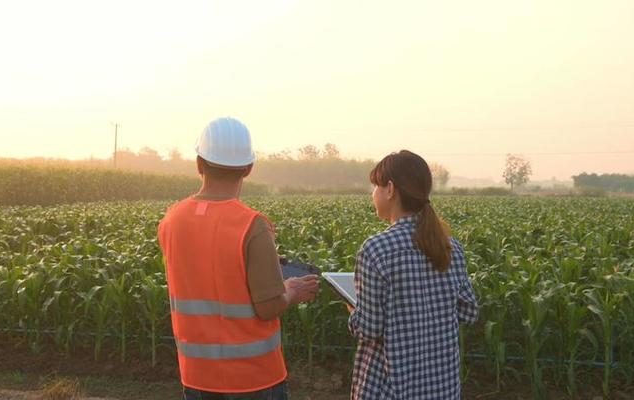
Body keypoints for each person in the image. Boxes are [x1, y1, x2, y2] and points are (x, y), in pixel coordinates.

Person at [158, 117, 319, 400]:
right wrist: (292, 290)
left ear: (199, 164)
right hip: (254, 379)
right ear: (248, 168)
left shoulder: (171, 220)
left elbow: (202, 271)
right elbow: (268, 307)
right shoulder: (252, 225)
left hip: (196, 376)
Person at [348, 150, 478, 400]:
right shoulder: (450, 246)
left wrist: (353, 311)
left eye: (375, 186)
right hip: (443, 386)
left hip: (392, 388)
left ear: (390, 189)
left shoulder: (376, 249)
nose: (372, 194)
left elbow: (370, 329)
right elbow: (468, 310)